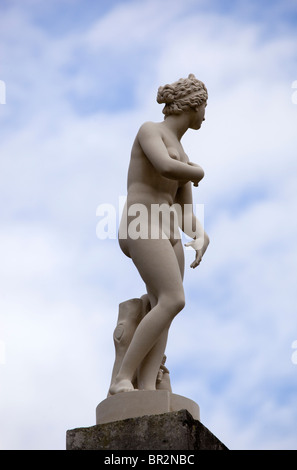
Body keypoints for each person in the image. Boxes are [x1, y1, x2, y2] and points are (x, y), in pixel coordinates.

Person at [109, 74, 210, 395]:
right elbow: (164, 166)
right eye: (205, 106)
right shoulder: (150, 130)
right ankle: (122, 379)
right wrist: (198, 172)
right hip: (142, 222)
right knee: (173, 299)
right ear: (193, 105)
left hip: (168, 231)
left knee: (161, 307)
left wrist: (200, 235)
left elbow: (183, 211)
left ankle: (147, 385)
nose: (206, 115)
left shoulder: (183, 152)